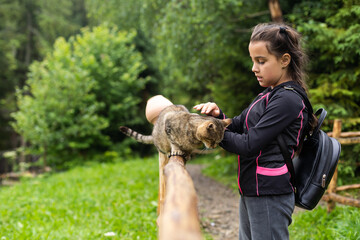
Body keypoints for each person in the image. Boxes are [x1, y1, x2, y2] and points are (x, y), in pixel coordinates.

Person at [194, 23, 316, 240]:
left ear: (284, 60)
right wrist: (218, 116)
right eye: (253, 61)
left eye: (261, 61)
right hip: (253, 189)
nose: (254, 68)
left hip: (270, 193)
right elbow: (239, 124)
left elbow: (248, 145)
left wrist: (213, 134)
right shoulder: (268, 95)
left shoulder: (288, 100)